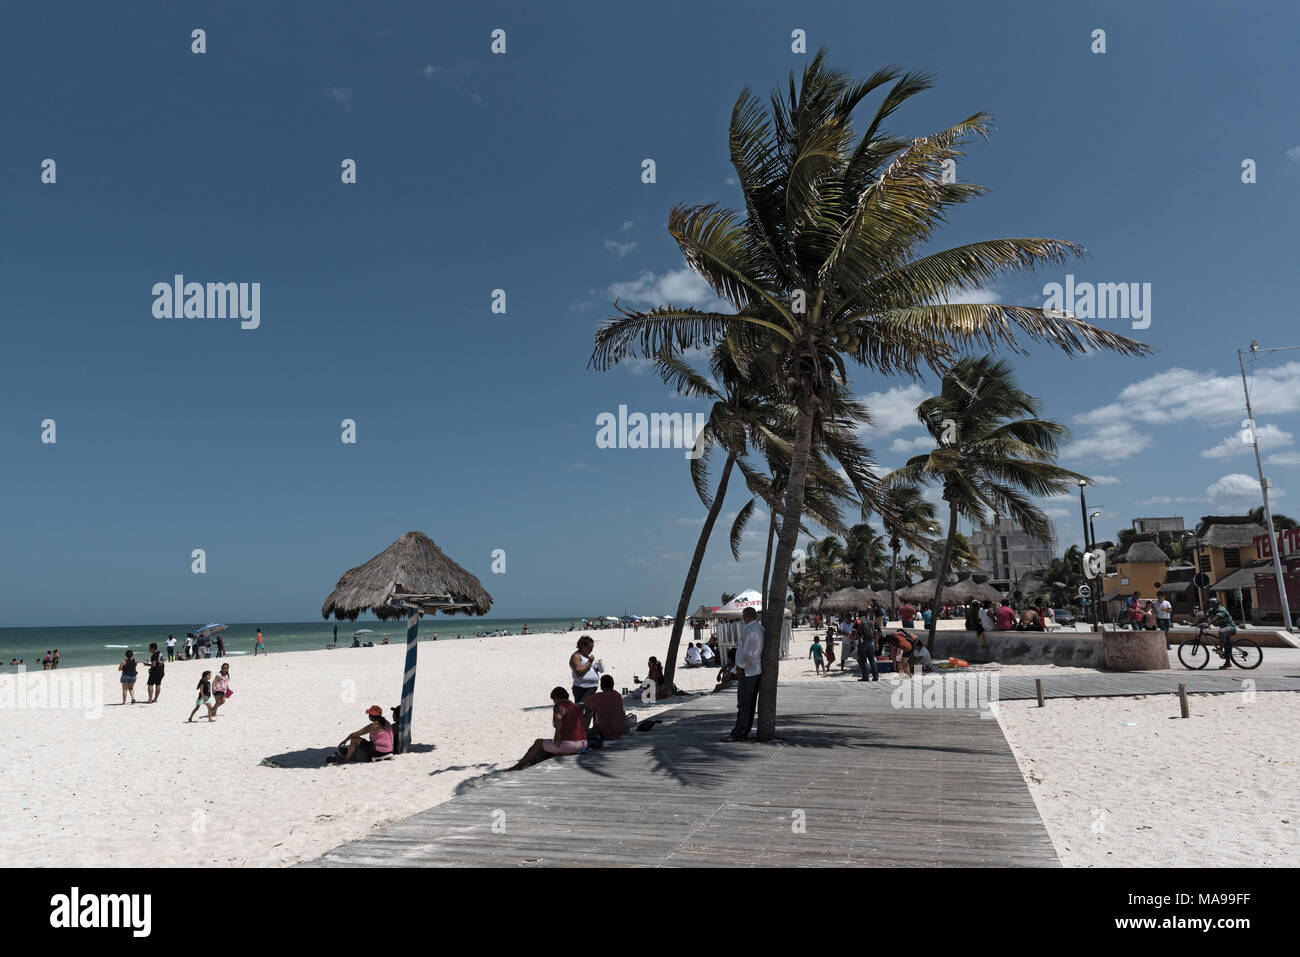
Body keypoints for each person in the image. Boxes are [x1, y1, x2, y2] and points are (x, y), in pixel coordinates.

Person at [507, 688, 588, 770]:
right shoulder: (576, 706)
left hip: (573, 745)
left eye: (553, 700)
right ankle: (531, 761)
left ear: (556, 698)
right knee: (546, 746)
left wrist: (557, 736)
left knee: (538, 743)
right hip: (584, 743)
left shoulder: (559, 706)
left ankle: (518, 767)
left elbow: (558, 723)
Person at [722, 607, 763, 741]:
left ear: (745, 616)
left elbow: (748, 653)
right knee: (749, 704)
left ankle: (738, 733)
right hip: (753, 669)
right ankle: (743, 731)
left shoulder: (750, 630)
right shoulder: (759, 628)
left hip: (748, 671)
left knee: (744, 704)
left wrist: (739, 667)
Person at [327, 705, 395, 764]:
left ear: (371, 717)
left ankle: (346, 760)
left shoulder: (374, 726)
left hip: (379, 751)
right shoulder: (386, 722)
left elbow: (354, 735)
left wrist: (345, 740)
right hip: (390, 749)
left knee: (354, 740)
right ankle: (348, 754)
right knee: (364, 743)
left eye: (369, 715)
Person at [582, 674, 627, 740]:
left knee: (582, 736)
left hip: (604, 731)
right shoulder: (617, 695)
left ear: (601, 686)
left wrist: (589, 691)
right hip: (618, 730)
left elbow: (584, 700)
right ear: (613, 684)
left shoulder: (599, 697)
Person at [1201, 598, 1238, 668]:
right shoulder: (1212, 610)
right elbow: (1205, 617)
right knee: (1227, 646)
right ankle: (1227, 663)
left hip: (1230, 628)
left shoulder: (1222, 610)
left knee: (1221, 631)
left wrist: (1208, 624)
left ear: (1217, 604)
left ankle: (1220, 649)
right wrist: (1195, 623)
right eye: (1211, 604)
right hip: (1224, 629)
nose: (1212, 606)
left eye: (1213, 604)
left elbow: (1216, 618)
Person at [569, 635, 601, 702]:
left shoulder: (586, 655)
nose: (591, 650)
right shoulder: (576, 656)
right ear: (583, 646)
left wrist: (595, 670)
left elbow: (587, 669)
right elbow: (578, 672)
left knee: (589, 709)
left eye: (592, 648)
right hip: (582, 687)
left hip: (591, 687)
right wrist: (590, 661)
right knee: (582, 708)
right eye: (589, 648)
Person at [856, 617, 879, 682]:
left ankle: (866, 677)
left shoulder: (858, 622)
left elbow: (854, 632)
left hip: (863, 642)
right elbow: (876, 633)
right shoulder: (872, 622)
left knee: (863, 660)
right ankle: (876, 677)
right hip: (871, 642)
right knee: (872, 660)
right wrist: (876, 643)